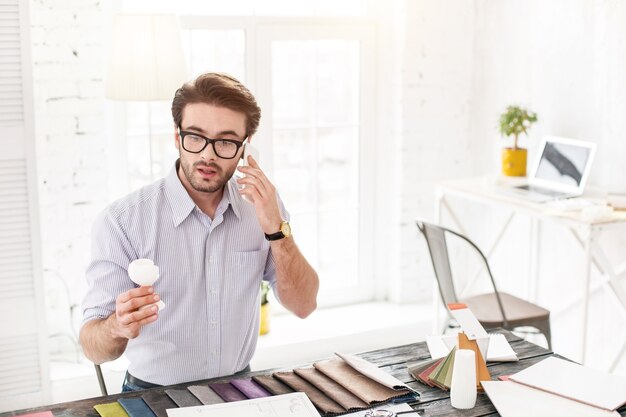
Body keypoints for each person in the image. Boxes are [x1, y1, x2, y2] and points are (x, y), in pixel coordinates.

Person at [79, 72, 319, 391]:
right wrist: (117, 326)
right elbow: (92, 345)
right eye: (195, 137)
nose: (207, 154)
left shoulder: (263, 210)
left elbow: (304, 305)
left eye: (225, 141)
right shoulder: (122, 221)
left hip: (239, 388)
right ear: (177, 138)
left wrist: (277, 230)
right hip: (151, 393)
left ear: (245, 148)